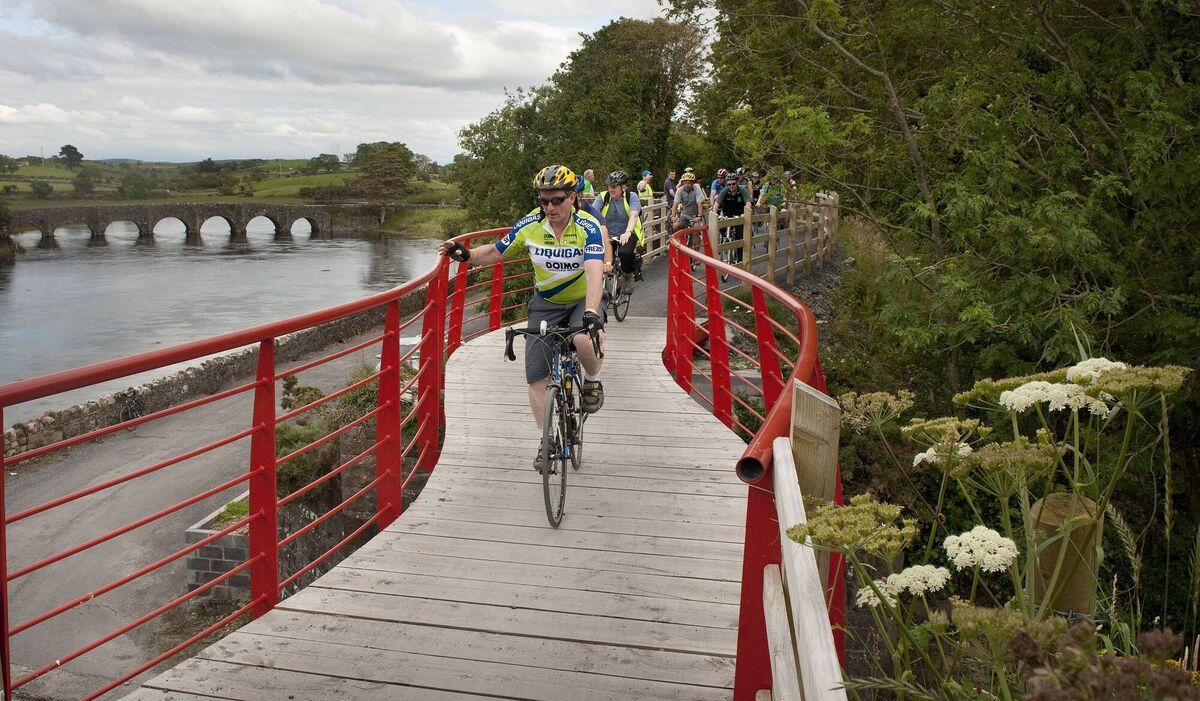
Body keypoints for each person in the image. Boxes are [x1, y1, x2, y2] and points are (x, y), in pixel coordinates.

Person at [438, 165, 606, 468]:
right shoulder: (531, 223)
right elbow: (497, 250)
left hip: (582, 299)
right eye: (544, 201)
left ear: (572, 197)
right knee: (536, 375)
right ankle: (546, 440)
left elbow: (595, 271)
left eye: (556, 200)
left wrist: (592, 312)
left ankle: (593, 381)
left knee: (584, 339)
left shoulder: (588, 226)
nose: (549, 208)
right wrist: (468, 255)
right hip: (546, 303)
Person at [588, 170, 644, 292]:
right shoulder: (603, 197)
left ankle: (628, 275)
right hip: (608, 234)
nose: (610, 189)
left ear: (623, 187)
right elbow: (592, 215)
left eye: (614, 187)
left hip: (628, 232)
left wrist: (628, 231)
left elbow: (634, 215)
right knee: (602, 257)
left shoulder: (631, 196)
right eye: (609, 186)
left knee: (625, 253)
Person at [714, 172, 751, 264]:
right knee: (721, 227)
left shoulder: (742, 190)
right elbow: (717, 203)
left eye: (733, 184)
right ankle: (724, 238)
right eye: (729, 184)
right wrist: (715, 214)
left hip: (739, 216)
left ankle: (740, 260)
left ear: (737, 182)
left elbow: (748, 203)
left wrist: (745, 213)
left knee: (739, 237)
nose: (731, 186)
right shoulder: (725, 191)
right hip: (727, 215)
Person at [670, 171, 706, 248]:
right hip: (685, 214)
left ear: (692, 183)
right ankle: (679, 242)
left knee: (695, 231)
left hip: (695, 214)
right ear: (682, 183)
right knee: (676, 226)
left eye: (689, 183)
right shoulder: (680, 190)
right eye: (685, 183)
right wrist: (673, 216)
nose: (687, 185)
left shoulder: (696, 188)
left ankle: (696, 252)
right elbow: (675, 204)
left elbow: (699, 203)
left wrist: (699, 216)